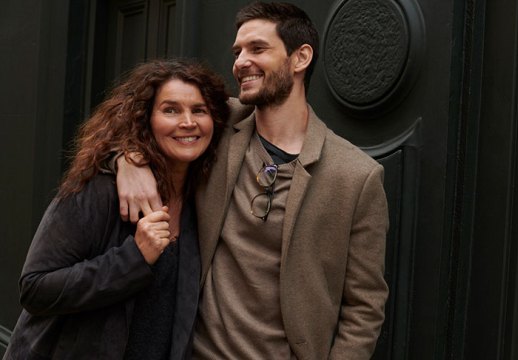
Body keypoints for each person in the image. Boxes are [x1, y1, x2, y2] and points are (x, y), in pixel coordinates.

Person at [116, 2, 389, 359]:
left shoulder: (356, 176)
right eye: (237, 51)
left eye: (257, 49)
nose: (240, 61)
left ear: (300, 58)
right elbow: (136, 124)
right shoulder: (216, 124)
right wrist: (129, 159)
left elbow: (365, 306)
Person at [3, 59, 230, 360]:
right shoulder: (101, 189)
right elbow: (35, 288)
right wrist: (134, 258)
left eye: (199, 110)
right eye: (171, 109)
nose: (187, 122)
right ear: (145, 118)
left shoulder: (201, 199)